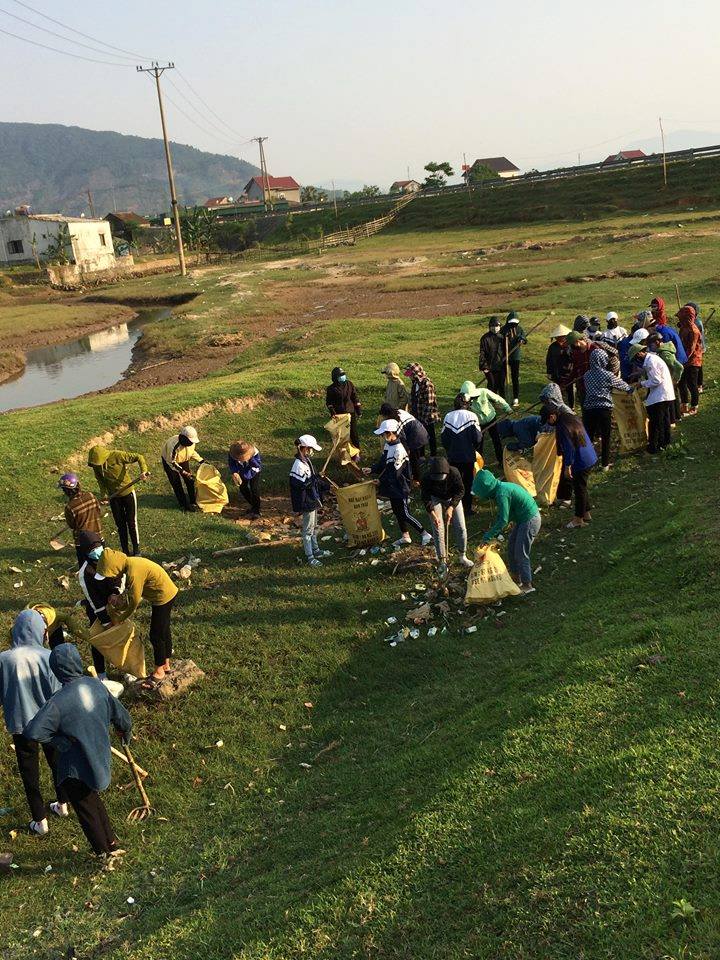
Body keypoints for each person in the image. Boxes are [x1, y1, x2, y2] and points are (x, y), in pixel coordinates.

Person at [23, 643, 131, 859]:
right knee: (93, 798)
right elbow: (122, 717)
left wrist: (59, 742)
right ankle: (111, 842)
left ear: (56, 669)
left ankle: (103, 852)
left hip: (74, 765)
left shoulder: (57, 702)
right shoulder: (97, 686)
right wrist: (124, 733)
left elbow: (32, 732)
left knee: (85, 807)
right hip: (99, 754)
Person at [0, 610, 66, 836]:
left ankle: (40, 820)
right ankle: (63, 803)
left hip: (21, 724)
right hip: (50, 721)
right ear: (41, 631)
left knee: (29, 770)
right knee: (57, 762)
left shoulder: (4, 659)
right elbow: (60, 692)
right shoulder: (49, 656)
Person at [94, 547, 179, 689]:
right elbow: (129, 595)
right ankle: (165, 664)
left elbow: (134, 602)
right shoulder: (129, 565)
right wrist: (118, 601)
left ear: (115, 567)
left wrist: (122, 617)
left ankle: (159, 671)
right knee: (163, 630)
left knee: (156, 635)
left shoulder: (134, 571)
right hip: (164, 593)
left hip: (163, 597)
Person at [471, 468, 541, 594]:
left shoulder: (502, 493)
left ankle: (527, 584)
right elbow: (505, 516)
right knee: (511, 547)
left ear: (486, 490)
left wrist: (488, 536)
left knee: (520, 552)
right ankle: (515, 578)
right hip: (522, 520)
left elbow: (503, 520)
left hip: (530, 520)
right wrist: (494, 533)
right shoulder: (500, 489)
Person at [367, 419, 432, 549]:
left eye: (384, 434)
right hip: (392, 485)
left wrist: (381, 481)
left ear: (392, 433)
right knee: (397, 512)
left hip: (401, 486)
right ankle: (405, 536)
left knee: (404, 513)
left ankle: (425, 533)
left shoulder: (399, 450)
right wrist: (372, 469)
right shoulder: (388, 445)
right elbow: (383, 462)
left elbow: (394, 473)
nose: (383, 437)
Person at [75, 531, 126, 682]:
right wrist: (105, 621)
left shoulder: (110, 558)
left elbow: (120, 576)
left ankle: (125, 668)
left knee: (122, 637)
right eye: (91, 550)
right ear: (85, 553)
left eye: (97, 548)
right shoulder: (85, 573)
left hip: (115, 605)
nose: (96, 552)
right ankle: (101, 674)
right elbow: (93, 600)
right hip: (96, 611)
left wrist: (116, 592)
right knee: (98, 640)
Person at [540, 407, 598, 528]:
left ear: (552, 416)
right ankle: (586, 513)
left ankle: (578, 519)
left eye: (548, 421)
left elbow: (569, 448)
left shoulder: (562, 427)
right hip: (589, 455)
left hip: (580, 460)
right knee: (581, 486)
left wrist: (567, 466)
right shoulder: (570, 417)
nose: (549, 424)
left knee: (579, 489)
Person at [87, 444, 149, 556]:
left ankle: (136, 549)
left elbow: (139, 457)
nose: (96, 465)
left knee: (131, 522)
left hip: (128, 493)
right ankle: (125, 551)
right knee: (120, 525)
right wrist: (104, 495)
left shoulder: (118, 455)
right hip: (114, 497)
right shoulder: (96, 466)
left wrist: (143, 471)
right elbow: (101, 482)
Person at [420, 457, 474, 576]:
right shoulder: (426, 477)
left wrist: (451, 507)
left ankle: (462, 555)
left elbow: (460, 491)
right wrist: (432, 513)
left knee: (461, 526)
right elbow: (425, 496)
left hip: (452, 497)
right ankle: (442, 561)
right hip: (435, 499)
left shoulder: (454, 472)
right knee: (438, 528)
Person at [582, 350, 633, 470]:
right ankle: (605, 464)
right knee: (606, 436)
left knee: (588, 437)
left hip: (589, 408)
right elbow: (622, 385)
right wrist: (630, 389)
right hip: (604, 409)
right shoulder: (607, 375)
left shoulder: (587, 375)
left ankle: (586, 463)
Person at [289, 435, 332, 567]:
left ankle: (316, 550)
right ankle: (310, 556)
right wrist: (317, 476)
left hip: (312, 499)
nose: (312, 451)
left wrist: (327, 486)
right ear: (305, 448)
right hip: (306, 501)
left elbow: (312, 480)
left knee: (313, 527)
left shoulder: (306, 461)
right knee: (307, 530)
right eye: (311, 449)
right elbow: (304, 484)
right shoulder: (298, 466)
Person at [440, 394, 484, 515]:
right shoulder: (472, 416)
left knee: (454, 480)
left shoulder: (448, 416)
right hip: (468, 455)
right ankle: (467, 507)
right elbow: (478, 438)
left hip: (453, 455)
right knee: (468, 482)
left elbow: (444, 438)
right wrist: (473, 447)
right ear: (466, 404)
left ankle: (453, 506)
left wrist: (450, 449)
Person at [628, 343, 674, 453]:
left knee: (656, 422)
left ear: (640, 353)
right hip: (665, 394)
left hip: (660, 395)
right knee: (664, 421)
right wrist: (640, 372)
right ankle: (666, 444)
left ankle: (656, 446)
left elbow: (656, 380)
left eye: (636, 358)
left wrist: (641, 384)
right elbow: (653, 372)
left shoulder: (650, 361)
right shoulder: (652, 358)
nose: (636, 361)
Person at [458, 379, 511, 464]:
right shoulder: (464, 401)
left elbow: (498, 399)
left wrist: (507, 407)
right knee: (478, 443)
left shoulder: (484, 392)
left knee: (496, 440)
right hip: (478, 424)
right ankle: (479, 463)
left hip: (491, 419)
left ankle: (501, 461)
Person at [59, 473, 102, 567]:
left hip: (82, 541)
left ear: (67, 491)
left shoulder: (70, 507)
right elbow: (98, 511)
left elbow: (72, 525)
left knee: (85, 567)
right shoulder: (91, 496)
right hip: (98, 535)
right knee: (103, 563)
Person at [379, 403, 428, 483]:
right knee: (417, 456)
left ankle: (417, 480)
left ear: (385, 414)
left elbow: (402, 438)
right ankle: (420, 470)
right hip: (422, 430)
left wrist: (405, 450)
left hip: (416, 436)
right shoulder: (399, 411)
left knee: (413, 458)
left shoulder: (395, 421)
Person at [161, 426, 203, 512]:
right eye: (190, 441)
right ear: (184, 439)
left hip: (183, 459)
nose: (191, 443)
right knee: (176, 483)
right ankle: (184, 505)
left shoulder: (191, 443)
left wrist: (201, 461)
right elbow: (172, 462)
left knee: (190, 480)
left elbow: (191, 452)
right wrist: (183, 471)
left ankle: (193, 502)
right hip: (170, 463)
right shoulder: (173, 445)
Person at [404, 363, 440, 456]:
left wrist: (423, 419)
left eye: (410, 375)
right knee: (419, 435)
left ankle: (433, 455)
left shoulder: (427, 384)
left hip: (427, 416)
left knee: (430, 436)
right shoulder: (415, 383)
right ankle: (421, 455)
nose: (409, 377)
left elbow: (429, 403)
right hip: (417, 414)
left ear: (415, 374)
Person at [326, 367, 362, 450]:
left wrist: (358, 410)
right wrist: (333, 413)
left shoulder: (349, 384)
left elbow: (355, 398)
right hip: (340, 415)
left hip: (350, 413)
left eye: (343, 374)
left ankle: (357, 452)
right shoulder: (331, 389)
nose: (343, 376)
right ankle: (343, 454)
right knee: (342, 436)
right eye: (340, 375)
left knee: (353, 434)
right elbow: (329, 403)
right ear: (335, 377)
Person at [676, 305, 703, 416]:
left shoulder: (694, 331)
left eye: (681, 318)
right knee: (681, 382)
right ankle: (684, 403)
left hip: (693, 361)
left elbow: (690, 349)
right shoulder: (683, 327)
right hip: (683, 360)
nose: (679, 319)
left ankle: (694, 406)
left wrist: (682, 359)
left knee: (692, 384)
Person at [228, 440, 262, 518]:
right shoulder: (233, 453)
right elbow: (231, 463)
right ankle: (253, 505)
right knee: (242, 488)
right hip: (242, 471)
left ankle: (256, 510)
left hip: (254, 471)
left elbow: (258, 465)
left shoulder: (254, 452)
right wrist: (234, 472)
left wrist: (250, 459)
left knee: (254, 489)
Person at [500, 311, 527, 407]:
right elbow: (498, 340)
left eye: (515, 323)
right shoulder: (503, 329)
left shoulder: (519, 329)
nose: (513, 324)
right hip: (504, 357)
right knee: (502, 377)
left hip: (515, 357)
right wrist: (504, 338)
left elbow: (524, 338)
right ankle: (502, 398)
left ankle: (515, 398)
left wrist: (521, 340)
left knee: (515, 377)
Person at [545, 324, 575, 408]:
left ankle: (572, 407)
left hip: (568, 373)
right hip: (556, 373)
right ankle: (559, 408)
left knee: (570, 391)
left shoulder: (570, 346)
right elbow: (549, 360)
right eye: (558, 336)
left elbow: (572, 358)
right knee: (558, 392)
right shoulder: (553, 347)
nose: (560, 338)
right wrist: (549, 372)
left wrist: (566, 350)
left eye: (562, 336)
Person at [479, 317, 506, 395]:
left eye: (497, 326)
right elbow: (482, 353)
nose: (495, 328)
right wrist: (484, 366)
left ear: (500, 326)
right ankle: (490, 402)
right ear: (490, 327)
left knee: (501, 384)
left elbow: (508, 347)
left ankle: (502, 402)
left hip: (501, 364)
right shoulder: (485, 338)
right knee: (492, 385)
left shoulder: (503, 337)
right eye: (493, 326)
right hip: (489, 366)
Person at [685, 301, 705, 393]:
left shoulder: (697, 323)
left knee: (698, 366)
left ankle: (699, 384)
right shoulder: (688, 322)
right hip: (691, 347)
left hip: (698, 348)